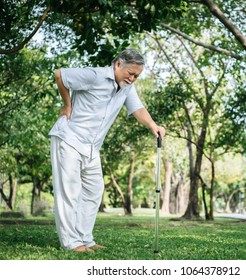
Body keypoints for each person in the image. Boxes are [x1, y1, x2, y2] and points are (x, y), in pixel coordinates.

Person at [49, 49, 165, 253]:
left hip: (92, 147)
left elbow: (137, 108)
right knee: (70, 191)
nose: (133, 78)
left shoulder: (127, 88)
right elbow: (60, 75)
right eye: (130, 73)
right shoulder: (95, 75)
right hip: (69, 138)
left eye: (137, 76)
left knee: (94, 190)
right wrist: (67, 105)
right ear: (118, 64)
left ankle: (85, 238)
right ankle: (71, 242)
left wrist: (153, 126)